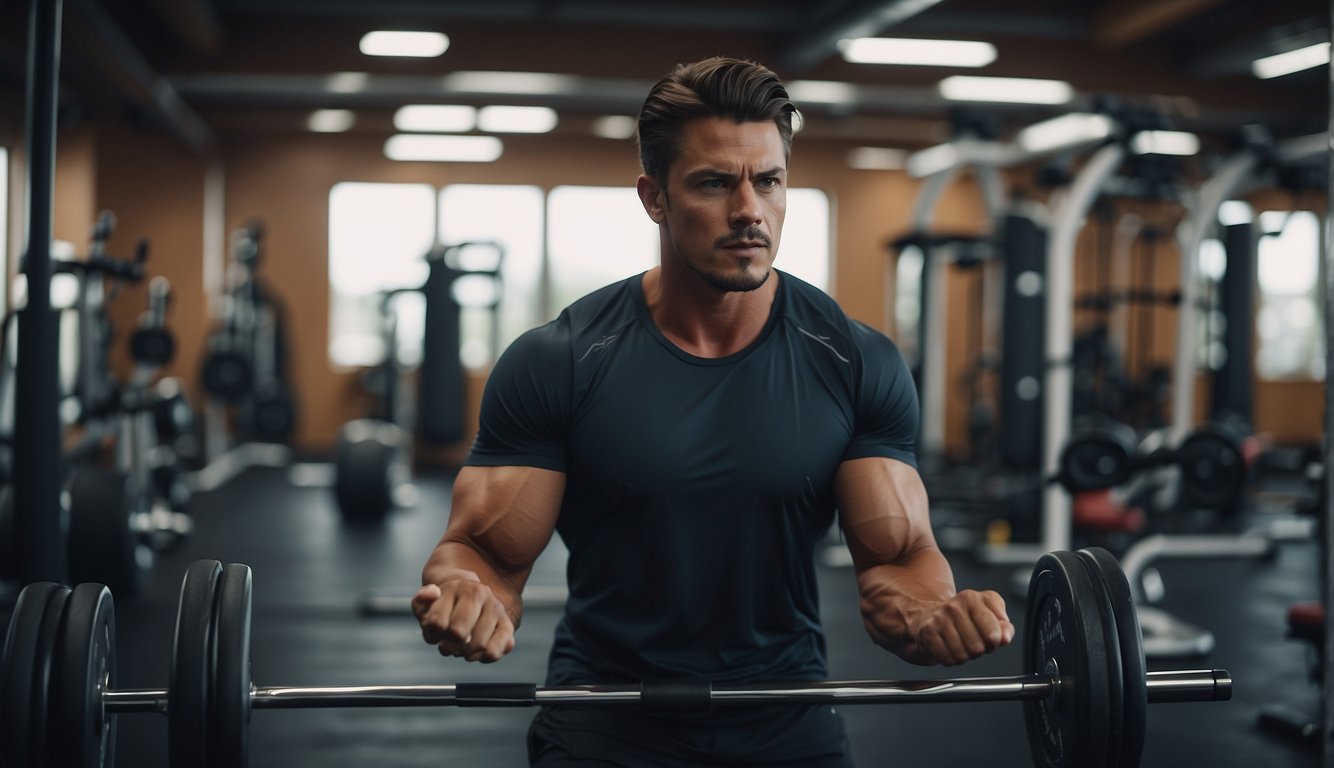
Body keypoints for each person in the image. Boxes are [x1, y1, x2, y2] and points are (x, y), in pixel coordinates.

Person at [413, 56, 1014, 767]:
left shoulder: (855, 361)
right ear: (654, 198)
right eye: (713, 183)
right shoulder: (561, 360)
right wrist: (466, 598)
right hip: (607, 720)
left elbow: (899, 558)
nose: (749, 210)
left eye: (768, 180)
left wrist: (930, 617)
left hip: (787, 718)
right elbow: (485, 554)